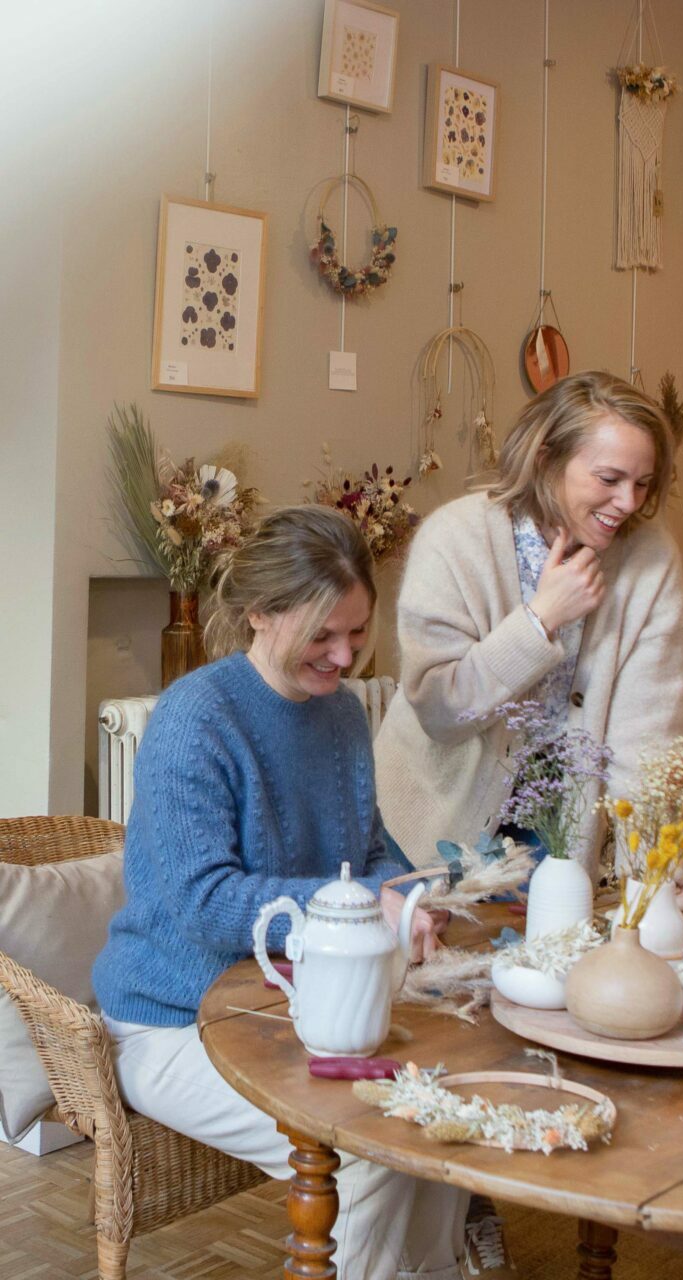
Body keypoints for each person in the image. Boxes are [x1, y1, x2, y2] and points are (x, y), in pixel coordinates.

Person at [92, 506, 475, 1280]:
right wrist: (370, 904)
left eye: (358, 634)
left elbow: (366, 851)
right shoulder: (194, 718)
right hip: (172, 1023)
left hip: (287, 1005)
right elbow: (205, 905)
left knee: (438, 1120)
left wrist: (426, 889)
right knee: (372, 1153)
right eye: (323, 636)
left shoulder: (336, 716)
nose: (343, 657)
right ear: (260, 614)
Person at [375, 370, 683, 873]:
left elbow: (647, 745)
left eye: (642, 483)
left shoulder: (650, 562)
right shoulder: (454, 538)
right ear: (547, 459)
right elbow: (439, 712)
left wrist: (652, 888)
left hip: (557, 833)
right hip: (425, 828)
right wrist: (539, 621)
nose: (629, 502)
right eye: (609, 479)